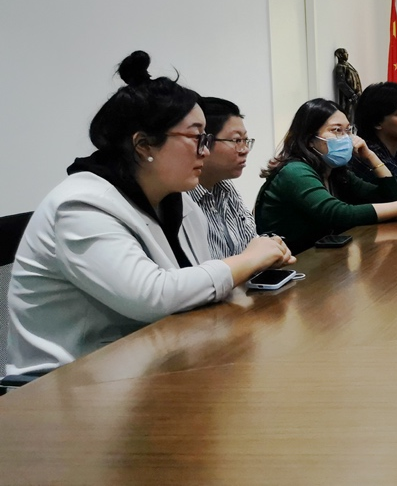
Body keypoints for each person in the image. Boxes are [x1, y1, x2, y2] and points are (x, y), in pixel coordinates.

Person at [5, 51, 294, 375]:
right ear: (143, 145)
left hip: (151, 362)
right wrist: (250, 259)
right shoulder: (80, 205)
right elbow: (153, 296)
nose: (205, 150)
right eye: (196, 137)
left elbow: (198, 287)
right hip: (64, 384)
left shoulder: (177, 200)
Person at [254, 98, 397, 253]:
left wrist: (371, 157)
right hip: (291, 270)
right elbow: (340, 214)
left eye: (348, 130)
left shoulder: (335, 172)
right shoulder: (295, 171)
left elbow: (392, 199)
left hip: (324, 262)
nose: (346, 138)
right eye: (336, 130)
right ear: (310, 139)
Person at [189, 96, 257, 258]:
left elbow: (252, 243)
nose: (245, 150)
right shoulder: (183, 198)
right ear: (203, 141)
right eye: (237, 140)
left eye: (246, 140)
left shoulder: (225, 187)